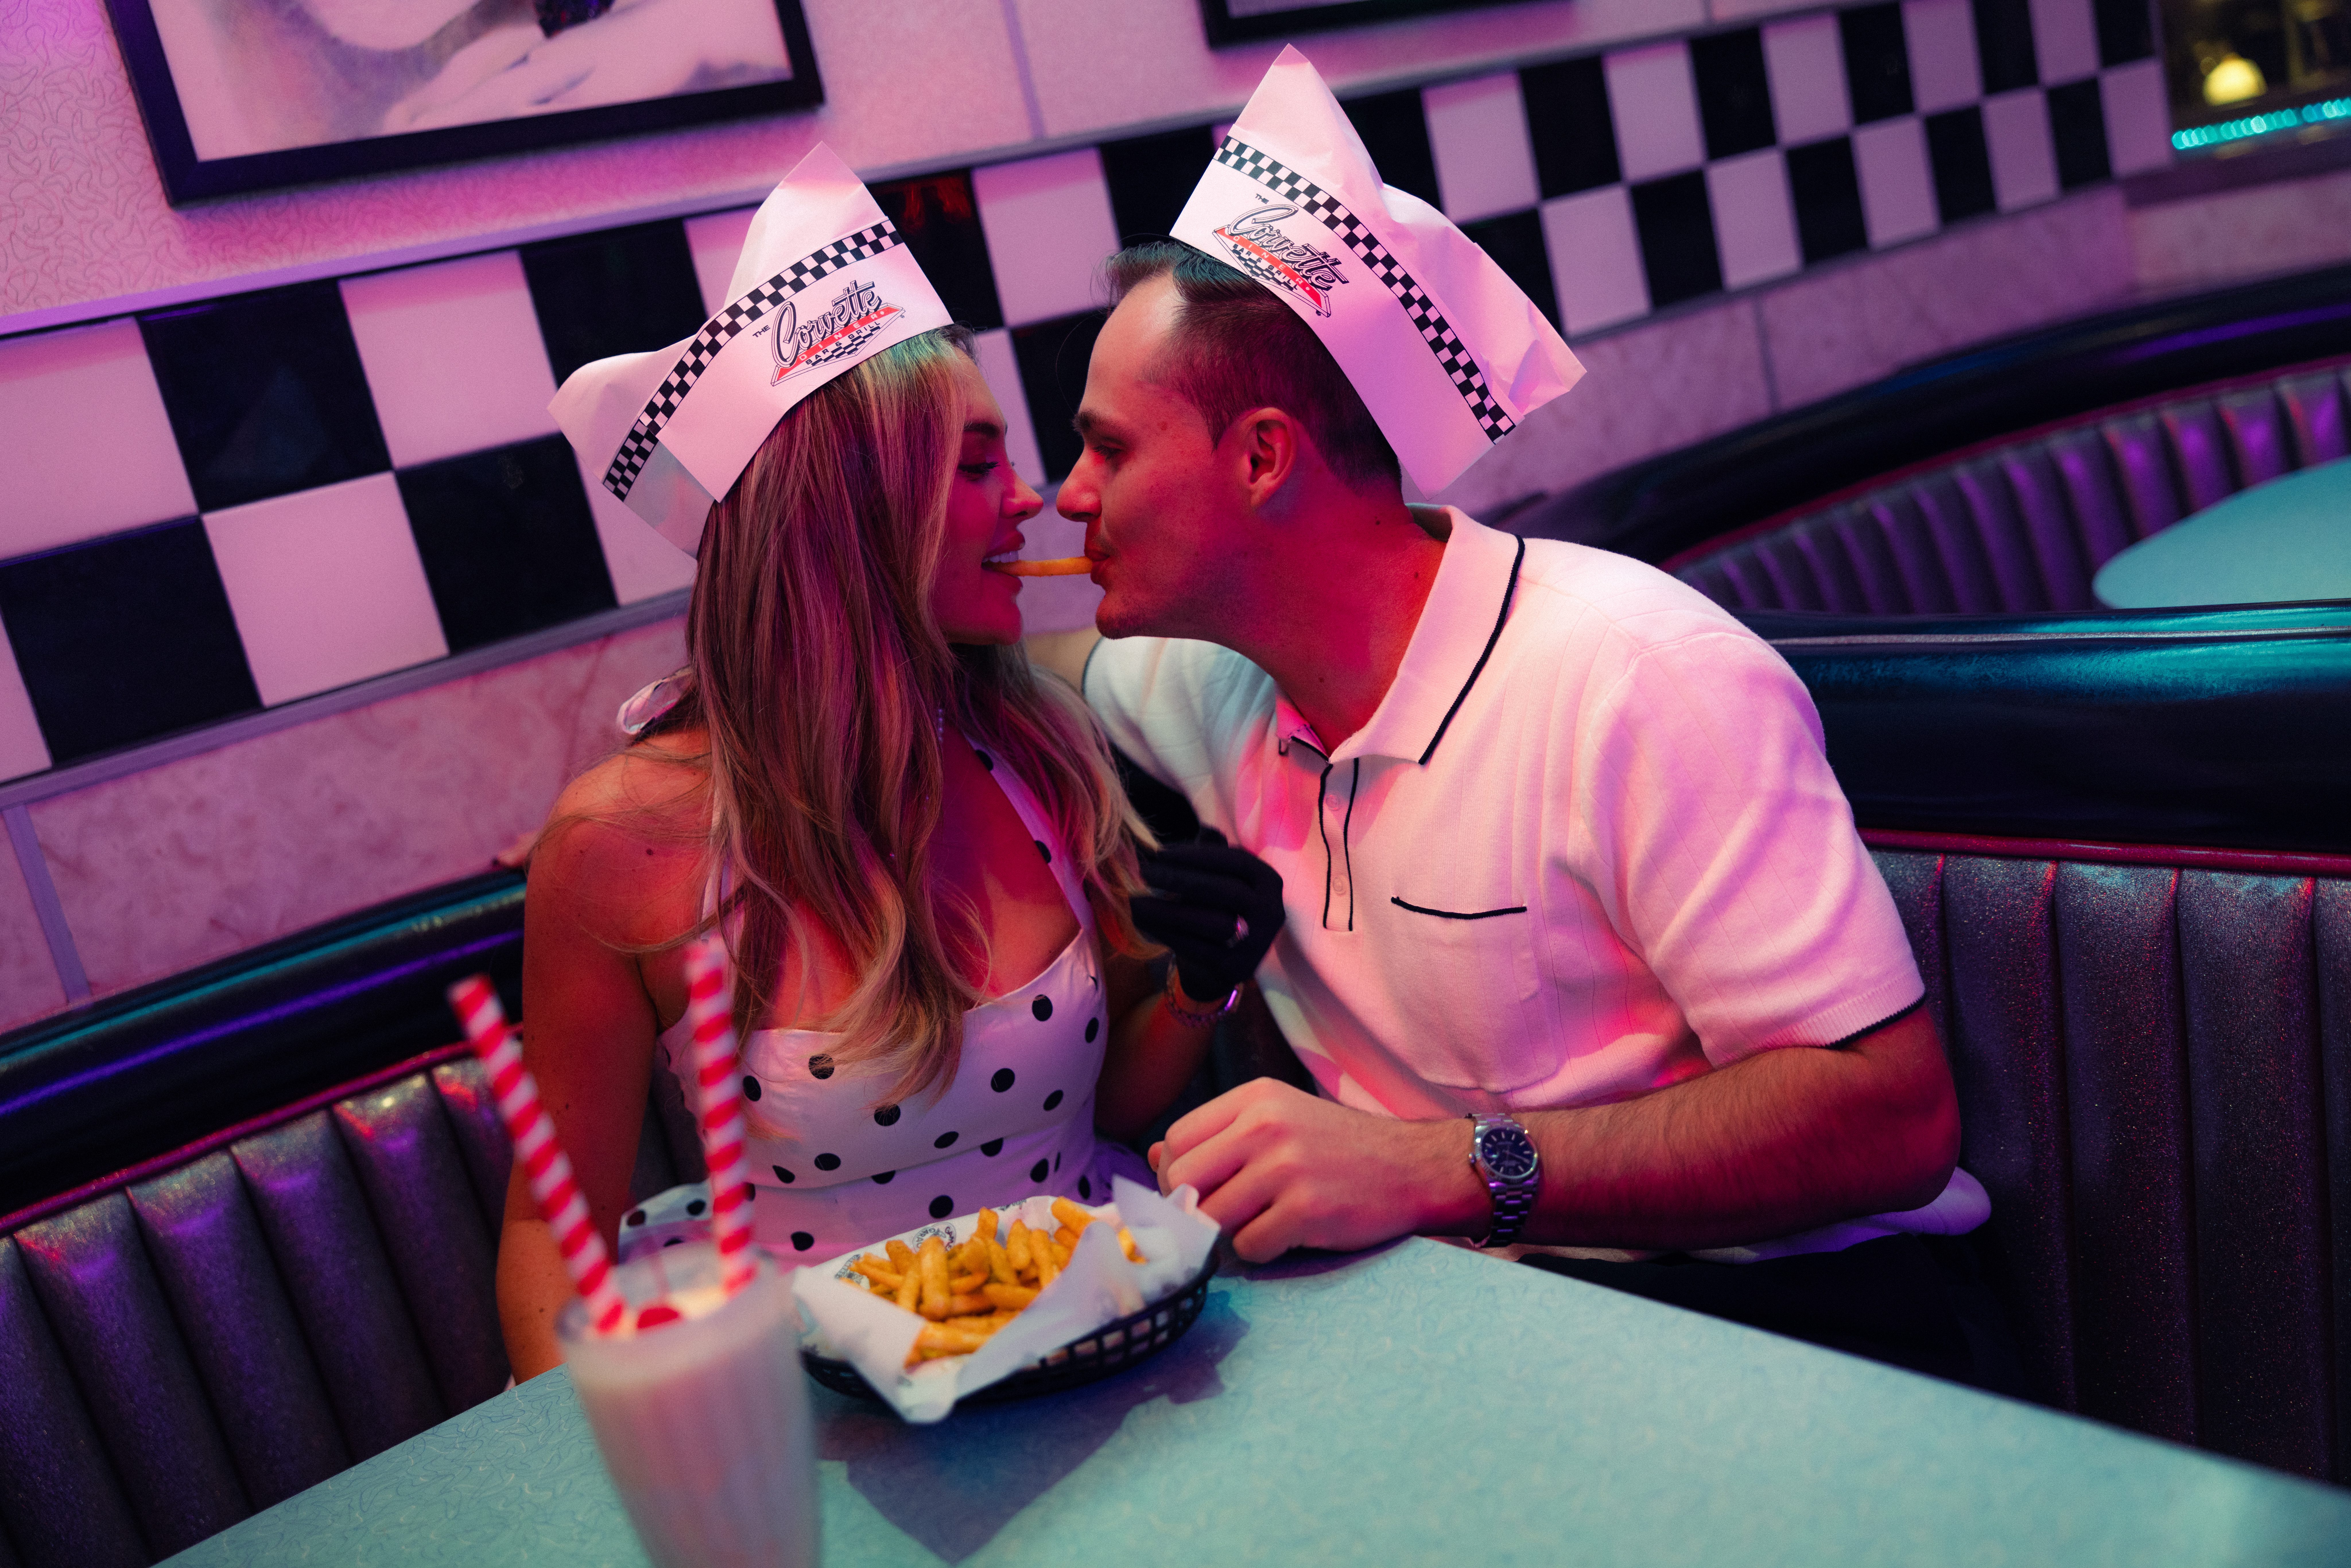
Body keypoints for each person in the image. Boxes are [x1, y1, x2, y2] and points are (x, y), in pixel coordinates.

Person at [1036, 49, 2015, 1389]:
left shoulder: (1635, 675)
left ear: (1262, 458)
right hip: (1464, 1333)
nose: (1063, 496)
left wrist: (1435, 1170)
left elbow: (1889, 1118)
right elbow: (981, 671)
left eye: (1105, 448)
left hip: (1790, 1326)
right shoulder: (1185, 680)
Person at [498, 147, 1219, 1381]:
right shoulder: (617, 852)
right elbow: (548, 1227)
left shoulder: (1041, 748)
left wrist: (1203, 987)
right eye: (981, 463)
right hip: (822, 1415)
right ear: (859, 514)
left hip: (1088, 1344)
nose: (1035, 500)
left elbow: (1115, 1117)